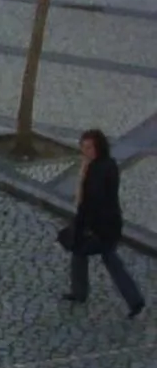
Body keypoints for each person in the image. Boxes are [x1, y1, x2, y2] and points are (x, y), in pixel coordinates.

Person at [61, 129, 146, 317]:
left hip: (100, 225)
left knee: (94, 255)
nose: (86, 151)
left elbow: (86, 200)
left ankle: (81, 292)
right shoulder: (108, 165)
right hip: (108, 223)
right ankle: (133, 299)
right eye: (83, 147)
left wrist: (83, 174)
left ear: (98, 147)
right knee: (100, 257)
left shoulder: (97, 169)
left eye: (89, 147)